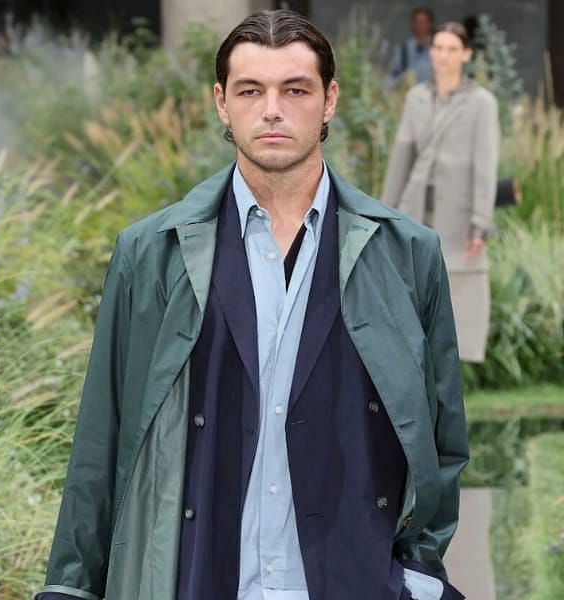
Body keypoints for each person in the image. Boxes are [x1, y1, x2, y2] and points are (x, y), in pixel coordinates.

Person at [39, 9, 467, 600]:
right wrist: (70, 589)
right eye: (250, 90)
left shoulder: (407, 254)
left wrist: (416, 577)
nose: (272, 109)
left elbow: (442, 443)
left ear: (329, 100)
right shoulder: (151, 253)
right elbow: (101, 438)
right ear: (222, 102)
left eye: (295, 90)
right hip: (196, 580)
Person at [382, 21, 499, 364]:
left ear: (466, 55)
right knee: (412, 291)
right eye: (438, 48)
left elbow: (485, 166)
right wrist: (384, 214)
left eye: (451, 49)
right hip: (414, 209)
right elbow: (400, 158)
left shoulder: (482, 103)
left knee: (459, 295)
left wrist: (480, 222)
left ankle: (452, 382)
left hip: (458, 214)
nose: (443, 56)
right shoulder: (417, 98)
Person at [388, 7, 436, 86]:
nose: (420, 25)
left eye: (423, 22)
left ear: (430, 24)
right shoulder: (403, 49)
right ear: (413, 24)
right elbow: (393, 75)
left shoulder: (439, 48)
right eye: (417, 21)